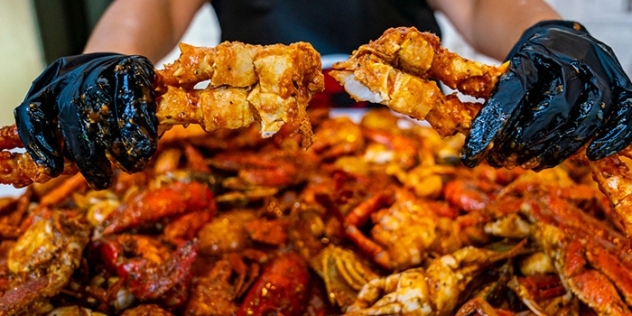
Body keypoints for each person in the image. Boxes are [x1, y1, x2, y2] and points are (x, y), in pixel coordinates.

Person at [13, 0, 632, 189]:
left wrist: (547, 33)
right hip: (250, 137)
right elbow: (153, 6)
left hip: (404, 131)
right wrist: (100, 64)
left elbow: (478, 3)